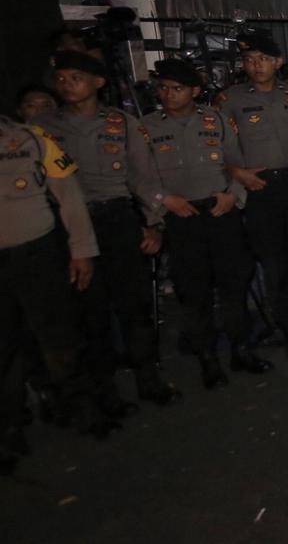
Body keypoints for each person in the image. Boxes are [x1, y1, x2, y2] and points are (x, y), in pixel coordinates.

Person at [35, 51, 184, 408]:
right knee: (89, 310)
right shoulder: (42, 128)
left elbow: (143, 178)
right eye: (61, 78)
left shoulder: (123, 123)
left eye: (76, 77)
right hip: (68, 224)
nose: (67, 85)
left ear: (98, 82)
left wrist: (153, 223)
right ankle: (104, 391)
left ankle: (148, 379)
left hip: (117, 219)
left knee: (134, 306)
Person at [143, 60, 273, 388]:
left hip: (220, 211)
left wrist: (234, 196)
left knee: (234, 285)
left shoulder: (216, 120)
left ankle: (241, 349)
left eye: (177, 88)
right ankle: (208, 359)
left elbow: (237, 164)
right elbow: (140, 177)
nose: (168, 94)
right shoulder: (146, 127)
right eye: (163, 88)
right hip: (180, 216)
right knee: (193, 291)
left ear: (195, 91)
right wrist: (163, 201)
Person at [1, 115, 113, 471]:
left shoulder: (31, 139)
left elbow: (69, 196)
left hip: (37, 253)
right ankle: (9, 426)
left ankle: (80, 406)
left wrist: (82, 248)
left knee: (59, 335)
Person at [216, 38, 288, 363]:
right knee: (275, 267)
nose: (256, 65)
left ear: (278, 61)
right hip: (260, 187)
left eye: (262, 58)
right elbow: (217, 147)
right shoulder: (231, 99)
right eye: (249, 59)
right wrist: (236, 173)